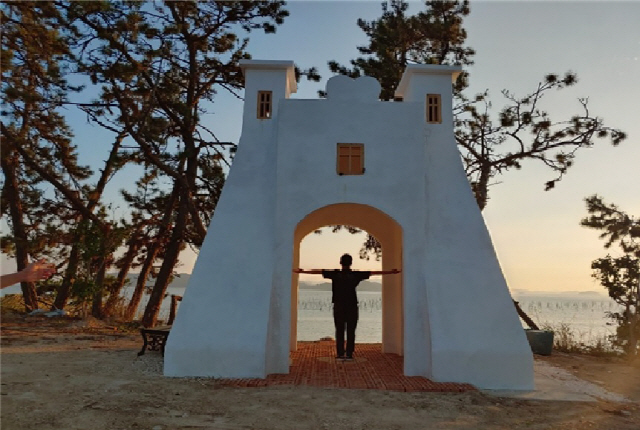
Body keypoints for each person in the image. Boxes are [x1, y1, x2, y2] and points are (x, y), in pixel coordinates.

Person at [294, 253, 400, 360]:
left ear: (340, 262)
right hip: (352, 306)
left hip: (339, 305)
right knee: (351, 330)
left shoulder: (335, 274)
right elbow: (374, 273)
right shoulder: (355, 275)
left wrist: (302, 271)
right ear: (351, 263)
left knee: (339, 330)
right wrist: (391, 272)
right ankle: (349, 353)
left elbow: (318, 272)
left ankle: (340, 353)